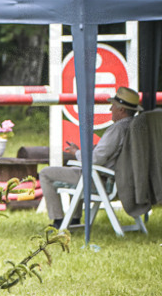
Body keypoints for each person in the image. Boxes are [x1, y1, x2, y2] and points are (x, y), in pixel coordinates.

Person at [38, 86, 142, 229]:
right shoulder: (137, 128)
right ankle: (74, 219)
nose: (110, 109)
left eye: (113, 106)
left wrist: (76, 152)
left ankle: (59, 221)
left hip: (103, 181)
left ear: (121, 110)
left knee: (46, 173)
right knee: (75, 170)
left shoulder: (117, 129)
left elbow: (94, 160)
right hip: (127, 182)